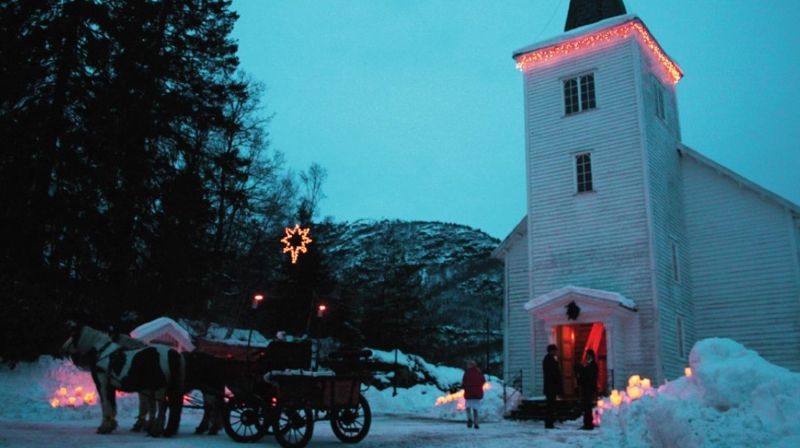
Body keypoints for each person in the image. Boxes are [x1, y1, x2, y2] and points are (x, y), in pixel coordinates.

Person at [576, 349, 599, 430]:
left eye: (587, 355)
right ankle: (587, 423)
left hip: (589, 388)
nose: (586, 356)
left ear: (591, 356)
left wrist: (582, 370)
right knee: (586, 406)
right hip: (586, 388)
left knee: (588, 406)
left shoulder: (593, 365)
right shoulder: (588, 364)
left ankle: (588, 424)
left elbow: (590, 376)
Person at [462, 360, 486, 429]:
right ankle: (476, 422)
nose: (467, 366)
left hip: (469, 393)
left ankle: (469, 419)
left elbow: (464, 382)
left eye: (468, 365)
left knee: (468, 407)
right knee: (475, 408)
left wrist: (466, 386)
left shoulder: (467, 373)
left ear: (470, 365)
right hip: (477, 393)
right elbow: (483, 381)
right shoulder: (479, 372)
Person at [542, 344, 562, 429]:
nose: (556, 352)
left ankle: (550, 422)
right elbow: (551, 374)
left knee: (551, 405)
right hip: (550, 387)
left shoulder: (550, 359)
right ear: (551, 351)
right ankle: (549, 423)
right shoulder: (548, 360)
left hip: (551, 387)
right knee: (550, 406)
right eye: (555, 350)